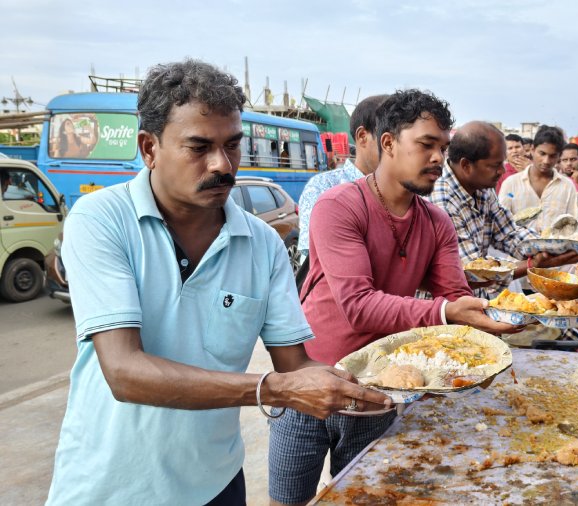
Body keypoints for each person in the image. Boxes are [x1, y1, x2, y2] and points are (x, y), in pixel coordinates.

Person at [44, 59, 390, 506]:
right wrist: (270, 389)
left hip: (216, 482)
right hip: (110, 486)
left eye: (232, 145)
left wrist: (359, 382)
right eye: (198, 147)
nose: (222, 165)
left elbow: (293, 365)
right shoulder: (102, 220)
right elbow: (124, 373)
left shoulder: (262, 243)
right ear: (149, 148)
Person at [269, 90, 518, 505]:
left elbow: (454, 295)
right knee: (288, 500)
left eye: (443, 147)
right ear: (388, 144)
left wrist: (488, 322)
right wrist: (446, 311)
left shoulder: (436, 222)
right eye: (426, 145)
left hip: (381, 387)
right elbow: (359, 305)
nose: (439, 159)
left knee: (364, 496)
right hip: (309, 380)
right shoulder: (339, 207)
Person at [431, 121, 578, 298]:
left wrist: (552, 247)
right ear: (466, 165)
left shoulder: (483, 188)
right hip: (446, 308)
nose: (502, 171)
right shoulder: (442, 199)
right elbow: (473, 272)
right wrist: (534, 264)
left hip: (477, 299)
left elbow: (508, 234)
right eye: (495, 165)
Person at [297, 94, 389, 258]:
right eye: (388, 141)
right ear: (362, 137)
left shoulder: (406, 194)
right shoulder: (322, 188)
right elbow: (315, 260)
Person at [498, 125, 578, 233]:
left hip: (556, 249)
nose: (546, 161)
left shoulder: (567, 187)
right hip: (519, 248)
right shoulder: (511, 184)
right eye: (542, 153)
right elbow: (501, 224)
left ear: (559, 156)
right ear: (532, 150)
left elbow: (572, 228)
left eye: (552, 156)